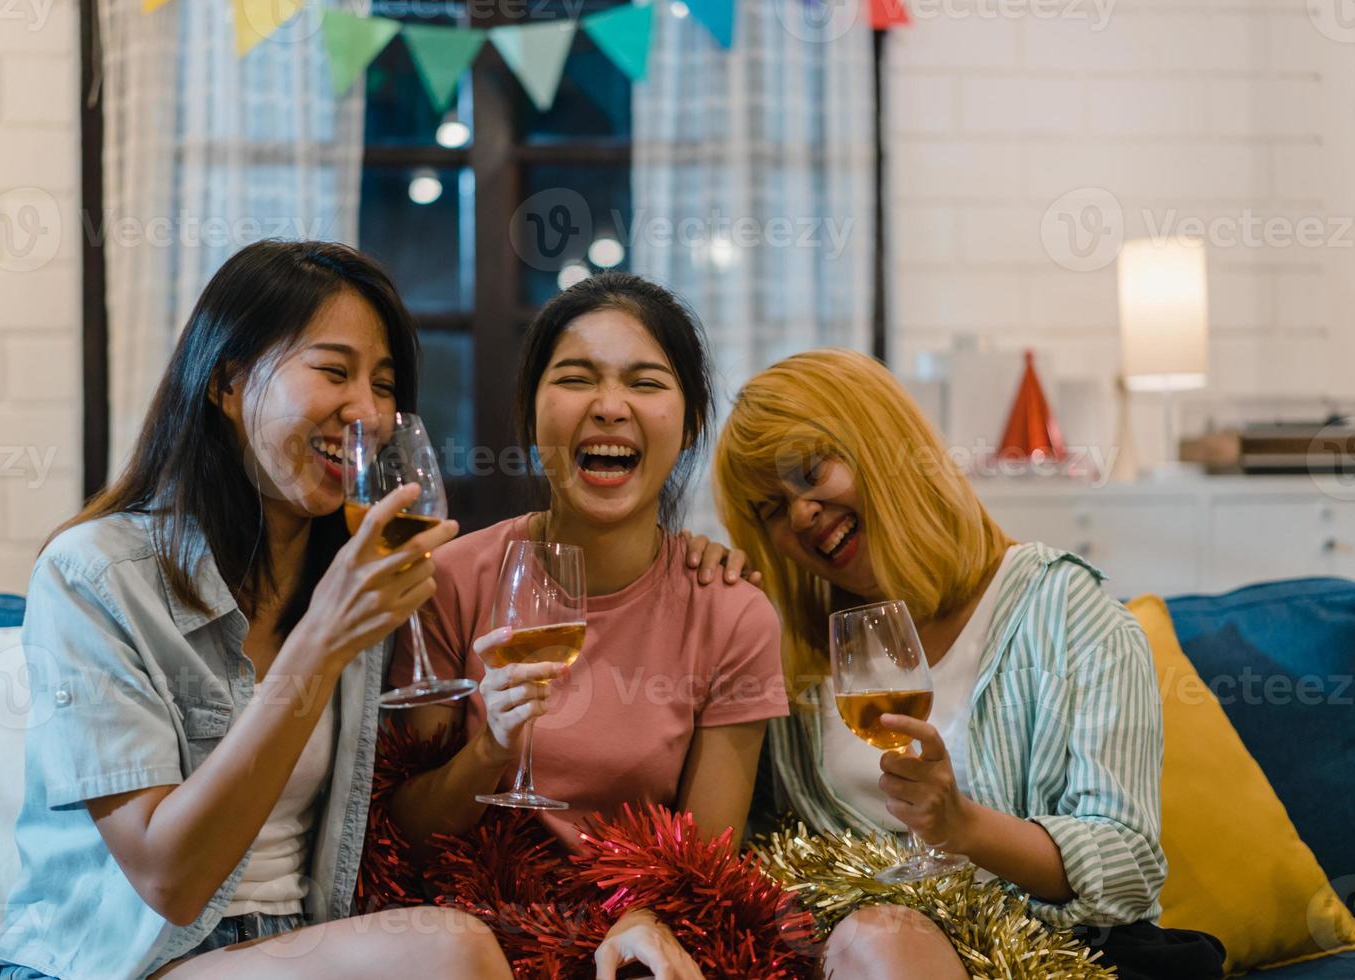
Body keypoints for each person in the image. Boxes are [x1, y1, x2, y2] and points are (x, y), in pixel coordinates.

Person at [0, 241, 512, 980]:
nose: (367, 411)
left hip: (290, 947)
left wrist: (702, 556)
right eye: (333, 371)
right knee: (450, 952)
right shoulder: (94, 576)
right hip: (114, 964)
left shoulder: (355, 574)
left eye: (386, 385)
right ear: (227, 383)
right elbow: (169, 879)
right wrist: (320, 644)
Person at [712, 347, 1224, 980]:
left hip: (1057, 958)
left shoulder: (1066, 612)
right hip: (867, 953)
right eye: (770, 509)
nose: (799, 513)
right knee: (880, 934)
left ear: (883, 445)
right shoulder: (796, 655)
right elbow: (739, 848)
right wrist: (696, 590)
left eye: (811, 472)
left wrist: (963, 826)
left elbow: (1128, 866)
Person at [384, 272, 791, 979]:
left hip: (640, 941)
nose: (609, 407)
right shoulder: (449, 582)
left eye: (646, 382)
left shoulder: (731, 613)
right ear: (533, 413)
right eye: (576, 379)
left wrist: (646, 918)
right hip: (467, 941)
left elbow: (707, 860)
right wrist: (490, 752)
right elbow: (405, 840)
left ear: (691, 421)